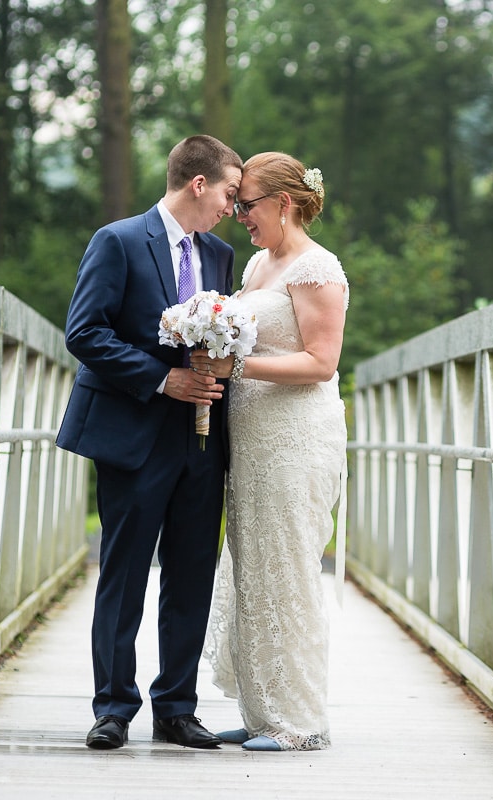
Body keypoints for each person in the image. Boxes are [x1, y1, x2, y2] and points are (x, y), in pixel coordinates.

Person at [56, 135, 242, 751]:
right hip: (134, 432)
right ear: (198, 184)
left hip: (201, 438)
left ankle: (176, 708)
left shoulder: (218, 254)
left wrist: (216, 365)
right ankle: (113, 707)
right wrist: (164, 379)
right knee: (125, 574)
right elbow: (84, 332)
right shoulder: (117, 241)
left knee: (191, 574)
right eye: (227, 193)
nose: (231, 207)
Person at [191, 152, 348, 752]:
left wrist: (236, 366)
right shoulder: (259, 263)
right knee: (254, 567)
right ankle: (263, 712)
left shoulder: (317, 268)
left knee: (290, 570)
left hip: (296, 438)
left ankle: (303, 722)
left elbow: (321, 362)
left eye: (249, 204)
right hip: (252, 441)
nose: (239, 215)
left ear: (284, 204)